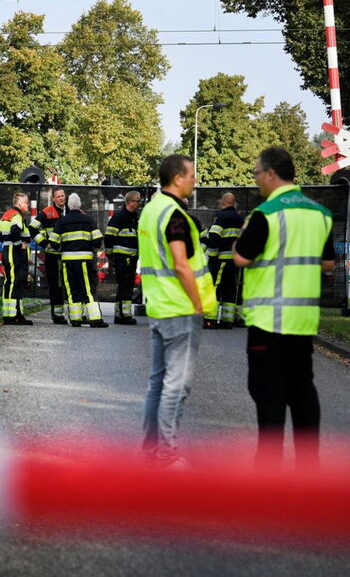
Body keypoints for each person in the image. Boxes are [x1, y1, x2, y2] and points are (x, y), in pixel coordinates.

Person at [233, 147, 334, 470]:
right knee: (303, 390)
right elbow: (328, 264)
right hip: (303, 320)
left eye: (257, 174)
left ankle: (269, 467)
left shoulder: (266, 213)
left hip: (268, 320)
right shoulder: (320, 213)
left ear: (272, 174)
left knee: (268, 393)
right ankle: (309, 465)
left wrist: (240, 238)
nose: (256, 180)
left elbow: (241, 257)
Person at [137, 155, 217, 468]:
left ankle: (151, 449)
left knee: (157, 382)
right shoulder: (175, 215)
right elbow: (181, 262)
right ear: (178, 178)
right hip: (180, 308)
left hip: (159, 306)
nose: (195, 181)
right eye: (192, 175)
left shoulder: (151, 210)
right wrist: (198, 304)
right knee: (176, 386)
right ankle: (167, 456)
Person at [51, 193, 108, 328]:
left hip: (67, 262)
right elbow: (98, 242)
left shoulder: (61, 221)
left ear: (68, 206)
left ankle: (76, 319)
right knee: (88, 290)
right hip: (85, 260)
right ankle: (95, 320)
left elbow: (53, 243)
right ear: (80, 205)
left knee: (72, 290)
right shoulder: (88, 220)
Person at [205, 192, 245, 329]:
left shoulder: (221, 217)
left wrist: (212, 255)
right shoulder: (240, 219)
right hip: (235, 261)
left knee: (215, 287)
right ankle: (227, 320)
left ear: (223, 202)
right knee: (230, 289)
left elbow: (214, 237)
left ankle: (210, 319)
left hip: (221, 259)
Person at [29, 187, 67, 324]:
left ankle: (76, 314)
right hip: (53, 255)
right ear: (53, 199)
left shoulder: (70, 211)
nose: (61, 198)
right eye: (58, 197)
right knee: (56, 285)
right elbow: (32, 228)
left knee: (69, 284)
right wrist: (44, 243)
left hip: (69, 254)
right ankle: (57, 315)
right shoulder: (47, 212)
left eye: (63, 196)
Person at [0, 193, 33, 325]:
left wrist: (6, 242)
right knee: (13, 282)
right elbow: (15, 231)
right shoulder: (16, 216)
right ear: (20, 203)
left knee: (13, 282)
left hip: (9, 251)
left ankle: (17, 314)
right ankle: (11, 317)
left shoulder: (7, 215)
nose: (28, 205)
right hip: (14, 253)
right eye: (26, 202)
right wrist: (19, 245)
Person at [105, 190, 141, 325]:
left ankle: (119, 314)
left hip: (131, 257)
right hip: (122, 258)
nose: (139, 203)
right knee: (125, 286)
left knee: (126, 286)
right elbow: (109, 236)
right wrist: (110, 255)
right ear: (130, 202)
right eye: (137, 201)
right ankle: (125, 315)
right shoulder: (119, 217)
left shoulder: (134, 217)